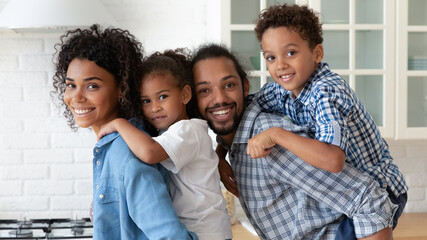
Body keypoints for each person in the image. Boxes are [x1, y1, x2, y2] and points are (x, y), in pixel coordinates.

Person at [191, 43, 398, 240]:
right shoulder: (235, 144)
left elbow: (369, 200)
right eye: (204, 90)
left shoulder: (270, 142)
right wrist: (217, 155)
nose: (219, 99)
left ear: (245, 86)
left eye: (228, 85)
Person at [250, 2, 408, 235]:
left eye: (290, 53)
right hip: (346, 195)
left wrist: (276, 134)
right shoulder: (282, 91)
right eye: (270, 57)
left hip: (381, 190)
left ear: (317, 53)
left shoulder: (326, 90)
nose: (280, 65)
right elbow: (243, 108)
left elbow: (333, 159)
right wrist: (221, 153)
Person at [51, 24, 197, 240]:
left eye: (92, 86)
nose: (77, 97)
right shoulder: (113, 146)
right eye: (71, 85)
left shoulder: (127, 156)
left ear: (121, 88)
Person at [97, 49, 232, 240]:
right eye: (146, 101)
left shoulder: (188, 130)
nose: (154, 107)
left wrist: (119, 124)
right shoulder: (169, 133)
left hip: (206, 232)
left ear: (185, 94)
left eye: (163, 97)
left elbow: (149, 152)